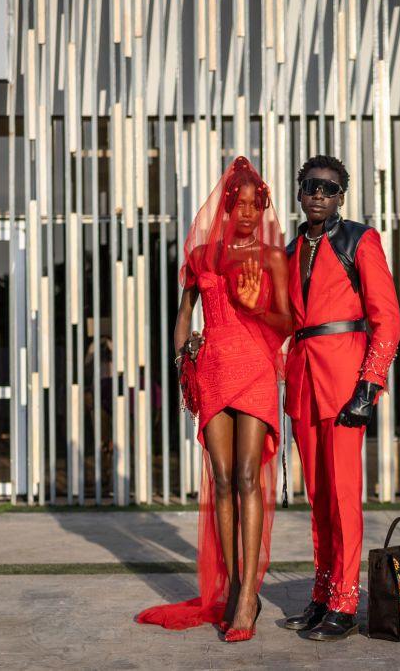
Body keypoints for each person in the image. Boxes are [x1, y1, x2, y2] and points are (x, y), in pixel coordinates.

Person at [136, 156, 291, 643]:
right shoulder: (202, 256)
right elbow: (184, 313)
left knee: (247, 475)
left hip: (256, 369)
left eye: (254, 204)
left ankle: (248, 594)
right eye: (238, 203)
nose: (246, 211)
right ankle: (229, 587)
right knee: (221, 479)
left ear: (261, 207)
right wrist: (185, 360)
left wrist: (255, 306)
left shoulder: (271, 258)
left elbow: (288, 323)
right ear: (226, 207)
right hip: (215, 370)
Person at [282, 155, 400, 641]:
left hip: (346, 383)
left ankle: (346, 603)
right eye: (311, 185)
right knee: (319, 499)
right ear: (299, 190)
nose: (318, 194)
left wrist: (369, 385)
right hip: (304, 383)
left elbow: (387, 317)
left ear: (341, 196)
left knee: (345, 497)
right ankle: (322, 593)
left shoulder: (359, 239)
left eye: (329, 188)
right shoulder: (289, 250)